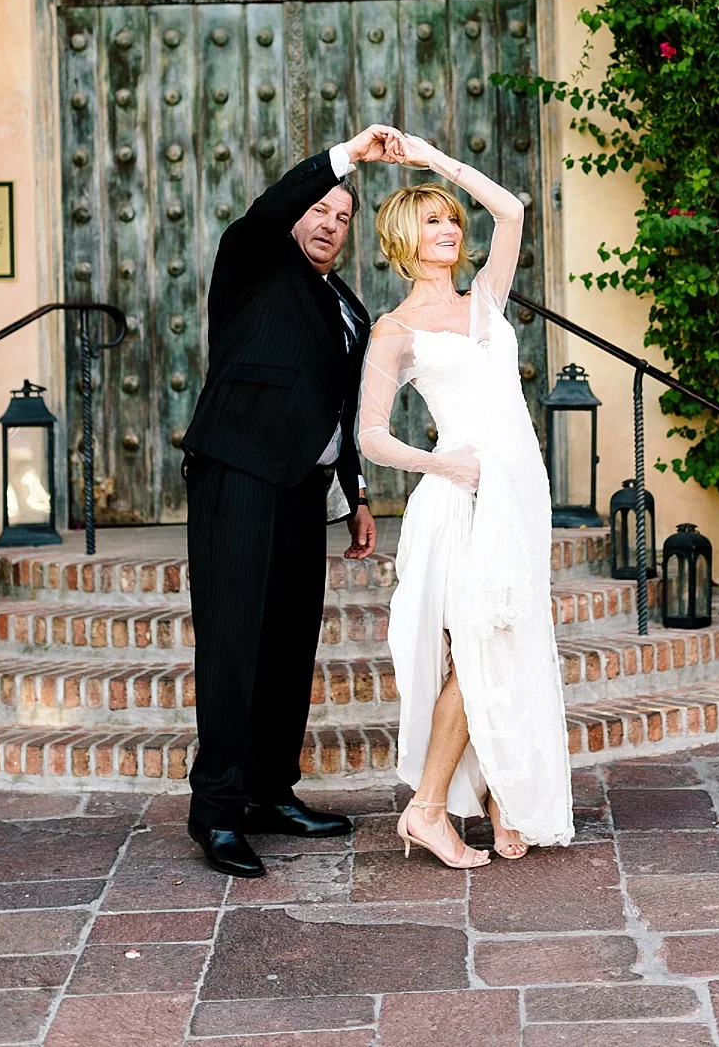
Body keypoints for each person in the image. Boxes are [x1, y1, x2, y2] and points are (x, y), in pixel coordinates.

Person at [177, 125, 398, 879]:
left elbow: (343, 406)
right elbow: (267, 211)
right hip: (238, 474)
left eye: (343, 216)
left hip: (306, 488)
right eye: (319, 210)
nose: (329, 223)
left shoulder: (349, 307)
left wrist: (355, 492)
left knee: (287, 646)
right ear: (295, 212)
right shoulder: (253, 260)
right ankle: (217, 812)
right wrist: (347, 157)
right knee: (234, 642)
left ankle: (270, 792)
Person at [356, 133, 574, 868]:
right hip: (463, 495)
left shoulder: (484, 300)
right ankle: (427, 808)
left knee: (511, 639)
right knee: (480, 645)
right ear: (403, 239)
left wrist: (433, 160)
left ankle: (501, 795)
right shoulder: (394, 330)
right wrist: (442, 462)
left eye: (451, 218)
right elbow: (371, 435)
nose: (450, 228)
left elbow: (511, 211)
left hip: (521, 490)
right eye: (432, 220)